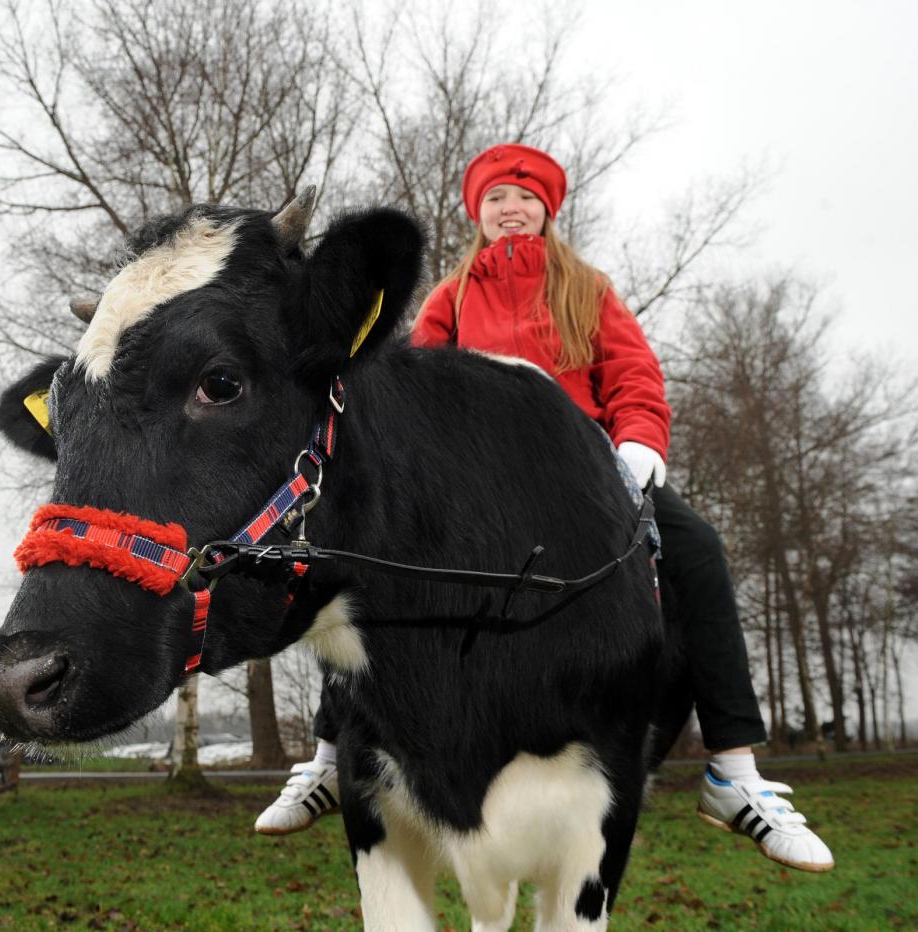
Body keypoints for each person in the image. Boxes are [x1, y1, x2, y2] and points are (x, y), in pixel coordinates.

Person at [253, 143, 835, 874]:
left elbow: (634, 377)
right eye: (496, 197)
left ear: (547, 210)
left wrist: (639, 446)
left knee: (699, 551)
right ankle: (334, 758)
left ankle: (733, 772)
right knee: (362, 566)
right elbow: (412, 396)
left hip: (588, 475)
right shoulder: (450, 300)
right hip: (477, 485)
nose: (511, 208)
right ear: (478, 213)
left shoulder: (586, 289)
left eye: (524, 198)